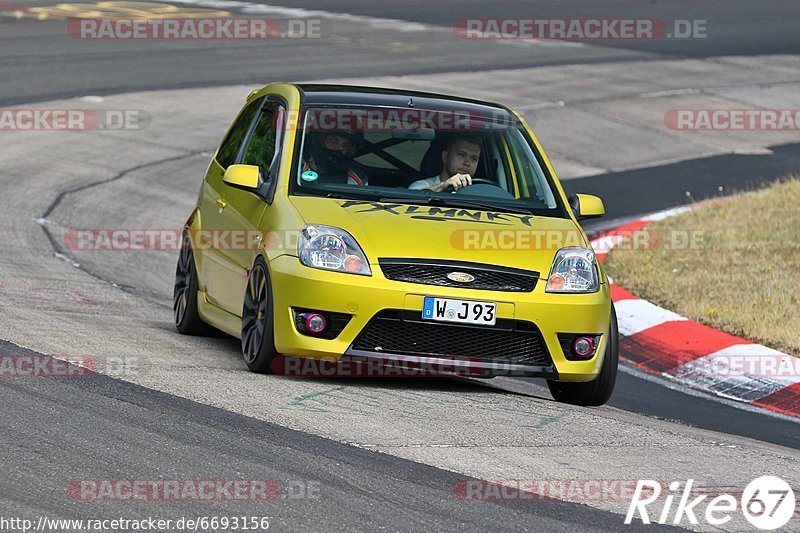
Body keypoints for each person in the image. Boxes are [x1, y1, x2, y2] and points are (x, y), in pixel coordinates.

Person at [408, 135, 481, 192]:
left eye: (474, 159)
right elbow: (411, 199)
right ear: (445, 157)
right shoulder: (422, 185)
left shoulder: (480, 192)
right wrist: (443, 186)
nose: (467, 163)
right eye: (461, 155)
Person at [301, 131, 368, 186]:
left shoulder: (356, 181)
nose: (339, 148)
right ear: (319, 141)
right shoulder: (295, 168)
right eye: (333, 141)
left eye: (346, 145)